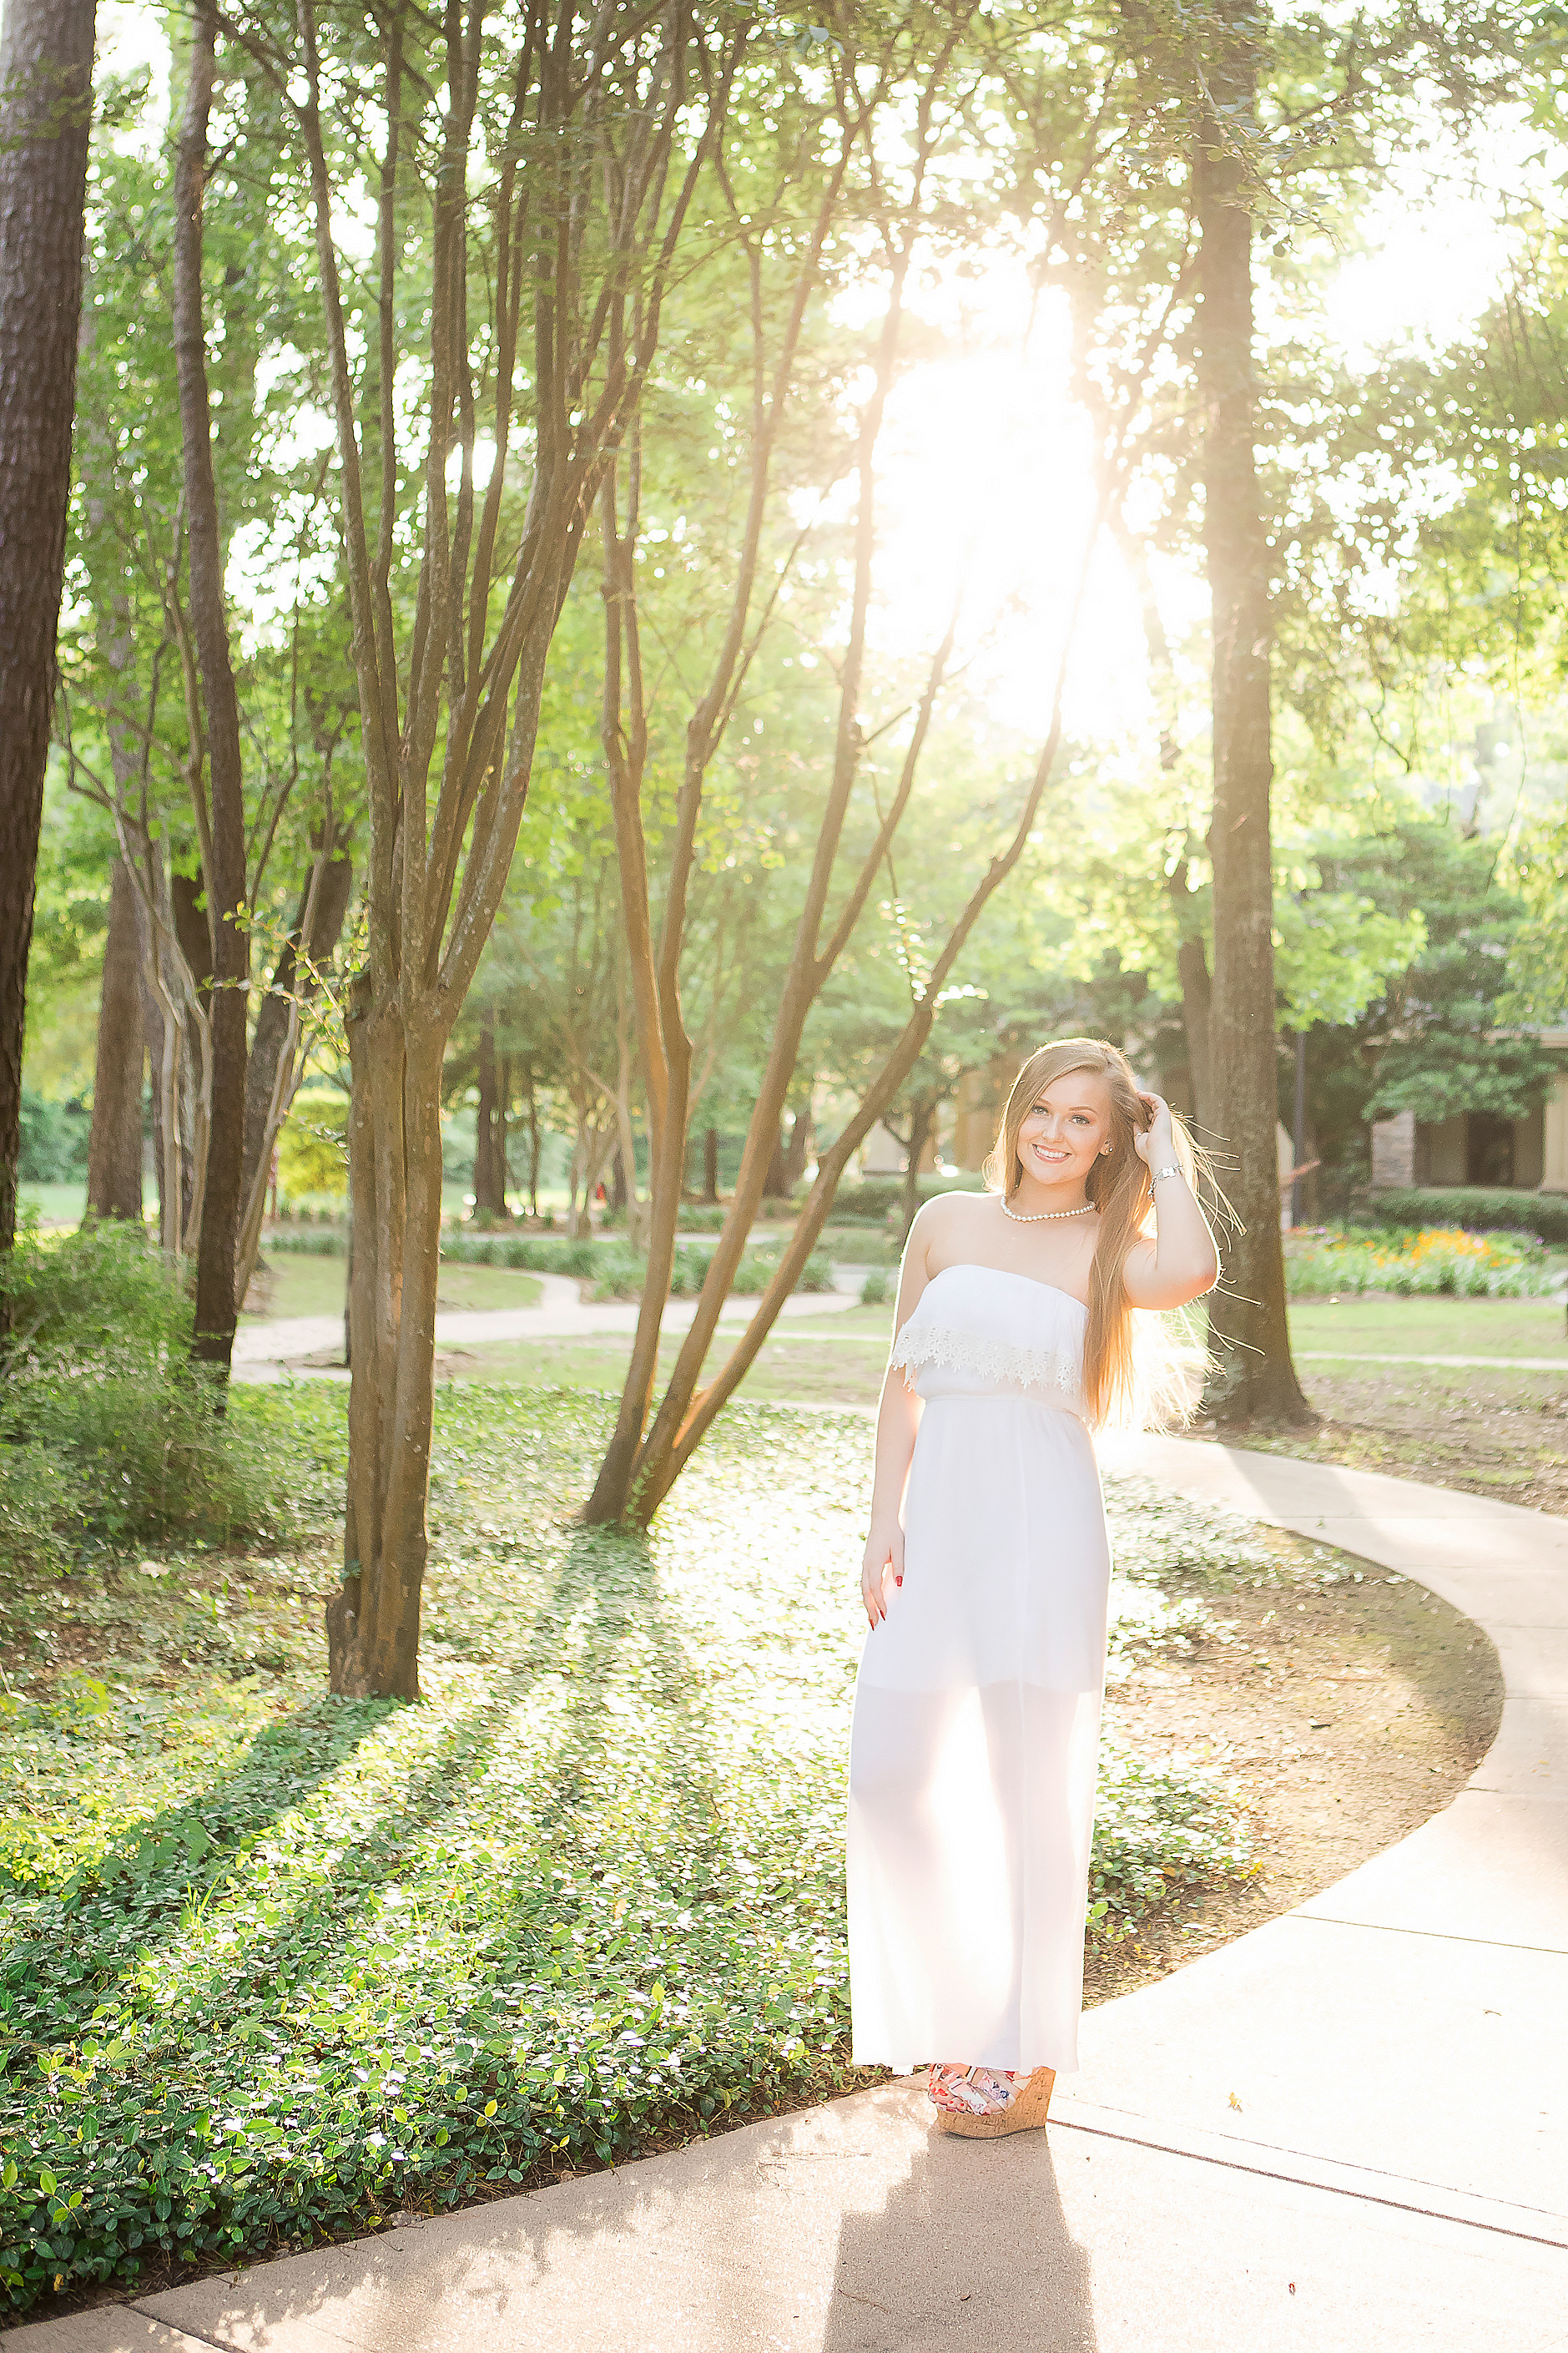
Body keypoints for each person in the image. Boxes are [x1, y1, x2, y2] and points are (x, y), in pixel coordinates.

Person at [848, 1037, 1220, 2138]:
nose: (1055, 1136)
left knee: (1026, 1795)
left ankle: (1019, 2048)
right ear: (1014, 1115)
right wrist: (882, 1526)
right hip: (941, 1534)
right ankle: (960, 2000)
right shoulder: (945, 1224)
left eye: (1084, 1122)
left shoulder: (1114, 1244)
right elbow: (901, 1382)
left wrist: (1169, 1160)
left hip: (1045, 1536)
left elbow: (1196, 1270)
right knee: (890, 1774)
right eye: (1043, 1113)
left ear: (1109, 1140)